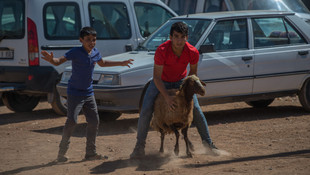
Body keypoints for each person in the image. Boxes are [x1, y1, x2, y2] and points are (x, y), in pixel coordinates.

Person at [130, 22, 223, 158]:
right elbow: (156, 77)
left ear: (187, 37)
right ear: (170, 37)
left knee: (196, 110)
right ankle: (139, 147)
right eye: (176, 36)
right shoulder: (161, 50)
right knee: (146, 109)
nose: (179, 40)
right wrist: (167, 97)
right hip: (161, 81)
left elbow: (193, 74)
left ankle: (208, 143)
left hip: (181, 81)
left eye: (182, 37)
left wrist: (190, 87)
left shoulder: (192, 52)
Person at [41, 27, 134, 162]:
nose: (91, 43)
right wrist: (51, 59)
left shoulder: (95, 52)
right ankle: (61, 154)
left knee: (94, 121)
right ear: (81, 40)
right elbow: (58, 61)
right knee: (72, 121)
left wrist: (121, 63)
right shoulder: (75, 52)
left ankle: (90, 153)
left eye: (94, 40)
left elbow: (103, 63)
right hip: (74, 92)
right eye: (88, 40)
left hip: (89, 93)